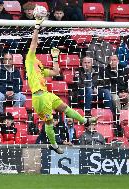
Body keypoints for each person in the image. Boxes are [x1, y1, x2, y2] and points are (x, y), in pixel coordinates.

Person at [26, 18, 98, 154]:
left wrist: (54, 58)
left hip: (47, 95)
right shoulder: (29, 59)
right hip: (39, 98)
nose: (38, 43)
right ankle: (53, 144)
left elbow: (56, 72)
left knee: (65, 108)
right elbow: (33, 44)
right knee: (49, 122)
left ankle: (85, 121)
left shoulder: (39, 65)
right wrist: (37, 27)